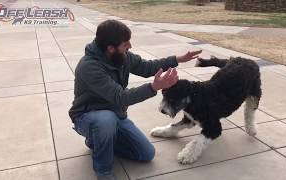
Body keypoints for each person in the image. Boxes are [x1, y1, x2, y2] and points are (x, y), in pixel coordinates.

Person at [69, 19, 201, 180]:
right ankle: (103, 170)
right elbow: (120, 97)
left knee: (146, 153)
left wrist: (177, 59)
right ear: (110, 48)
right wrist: (154, 87)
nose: (129, 46)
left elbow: (146, 67)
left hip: (115, 114)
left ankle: (97, 142)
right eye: (125, 44)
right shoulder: (89, 67)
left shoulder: (121, 56)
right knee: (106, 120)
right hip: (87, 116)